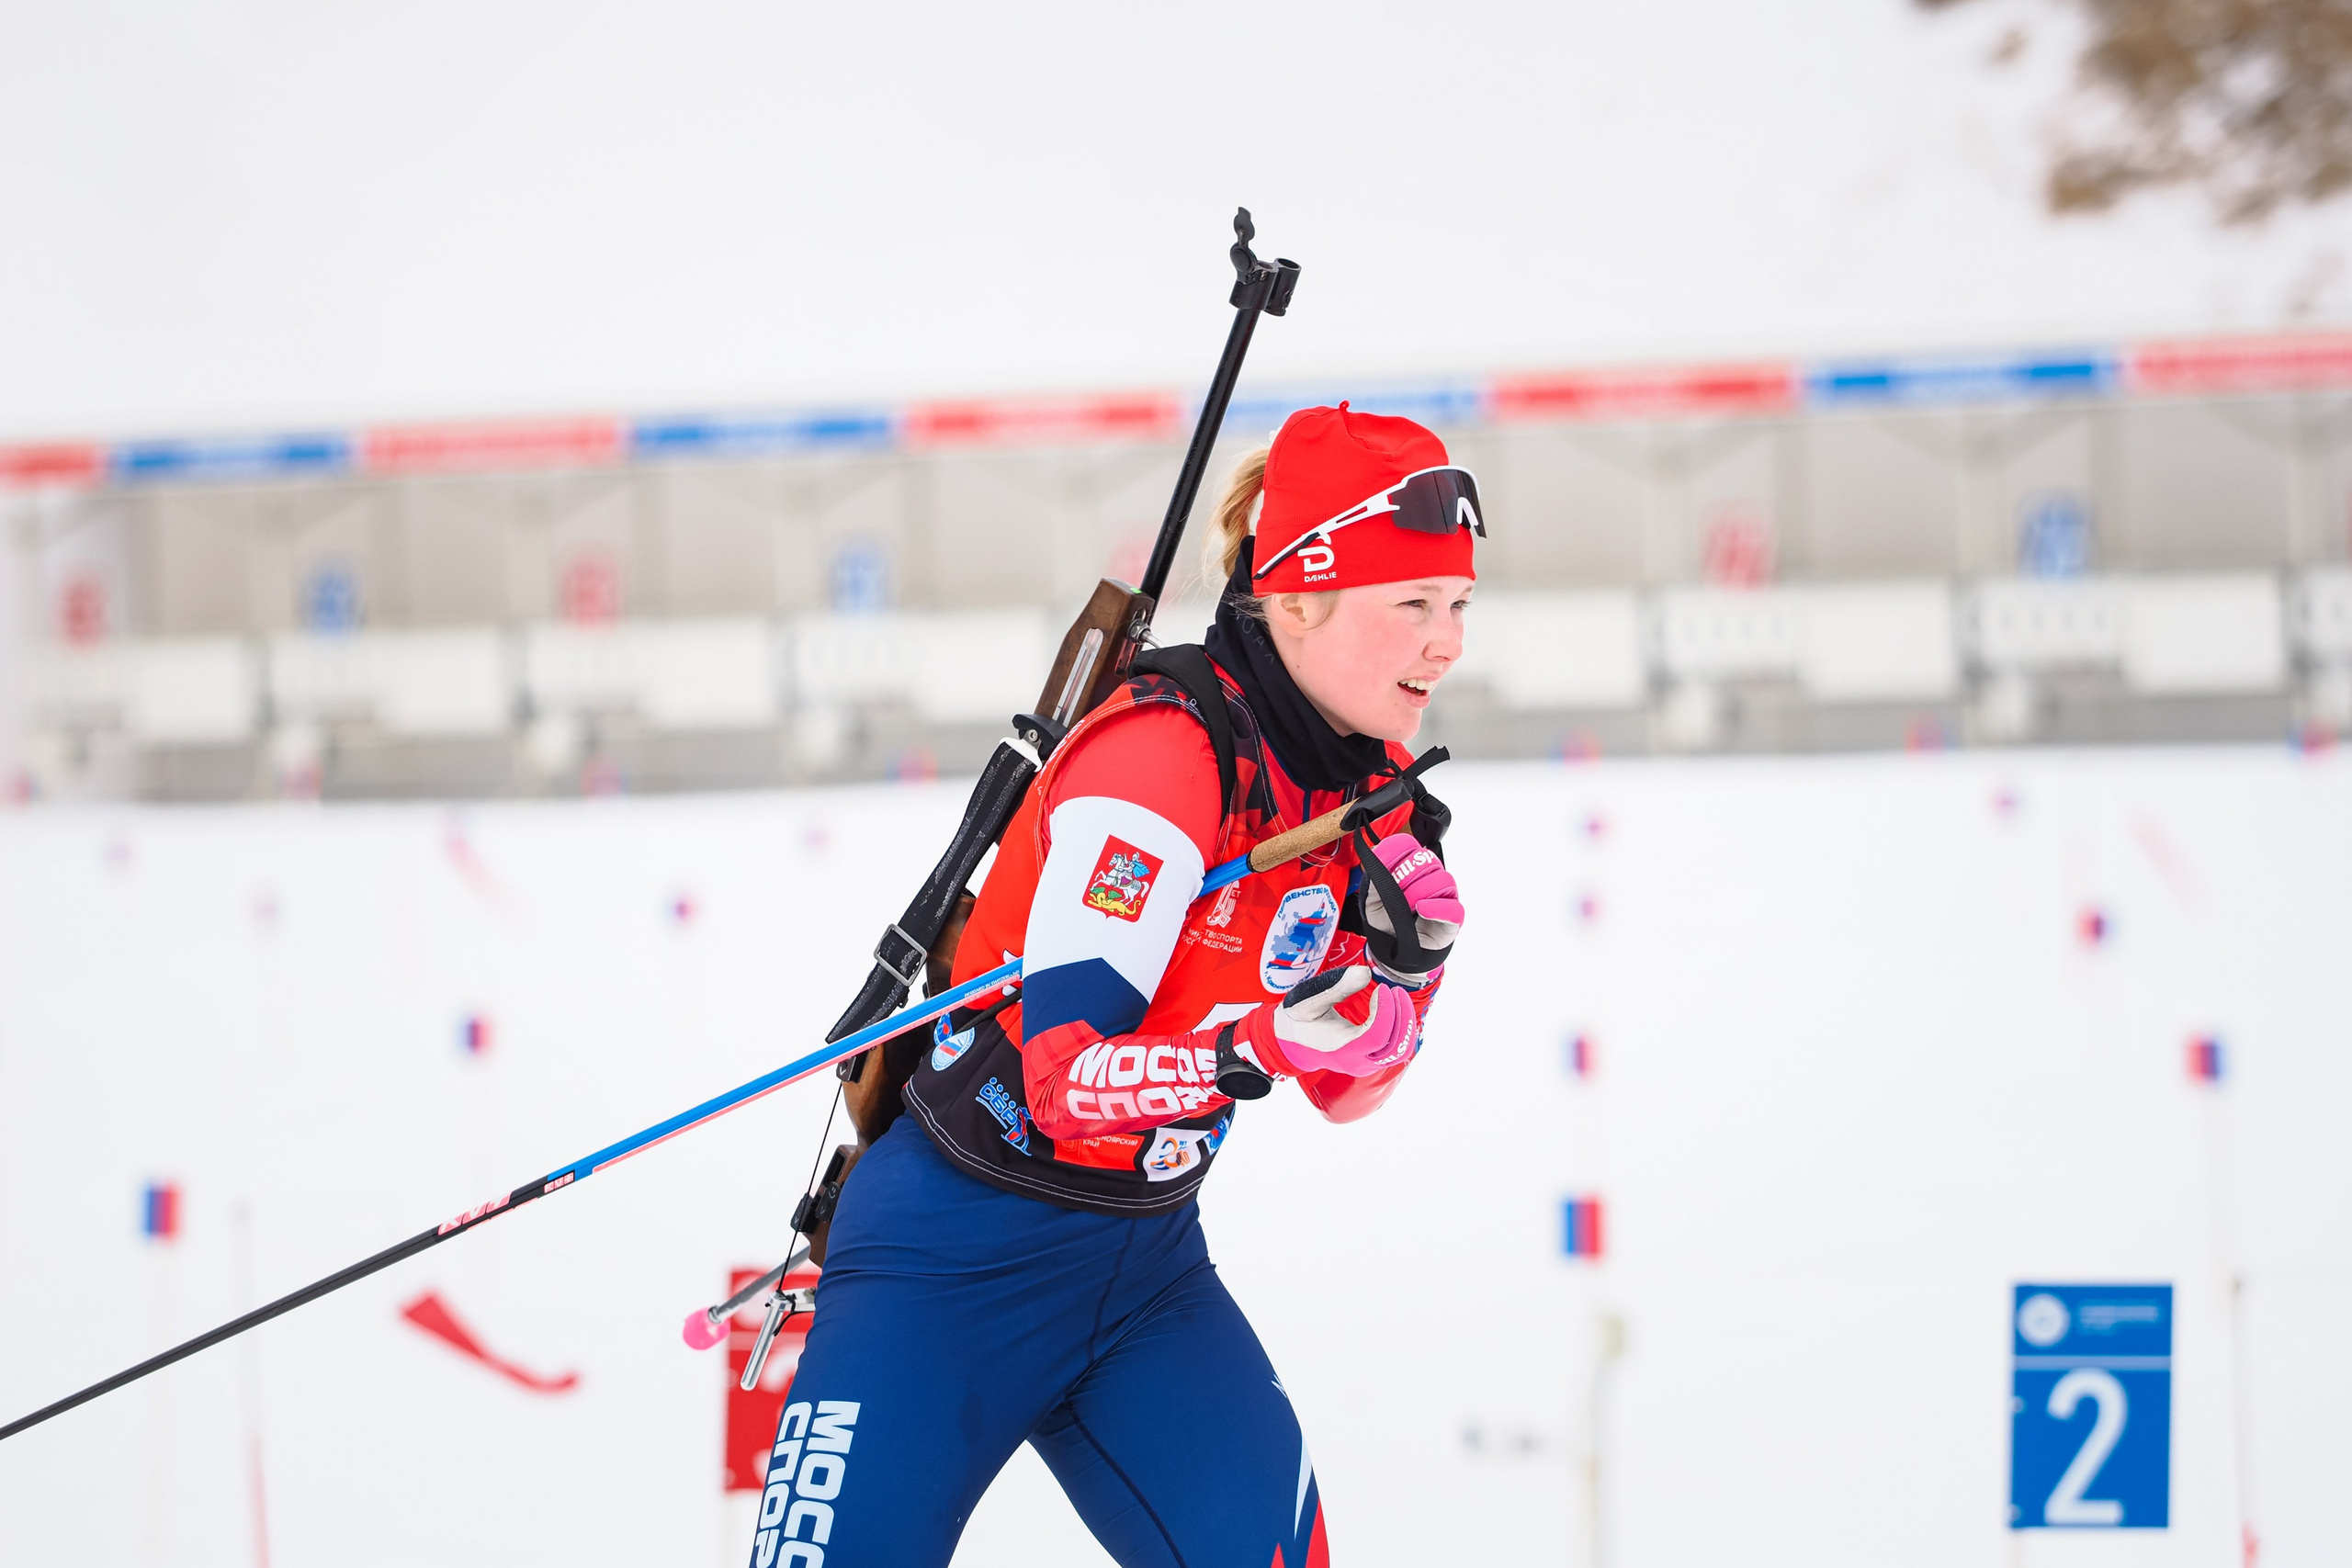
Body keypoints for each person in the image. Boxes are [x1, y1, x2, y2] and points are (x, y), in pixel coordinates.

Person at [747, 404, 1479, 1568]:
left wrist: (1405, 984)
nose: (1446, 644)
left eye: (1456, 606)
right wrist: (1258, 1045)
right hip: (948, 1263)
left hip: (1140, 1276)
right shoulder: (1161, 758)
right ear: (1295, 598)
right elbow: (1066, 1079)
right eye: (1412, 607)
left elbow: (1347, 1097)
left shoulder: (1370, 793)